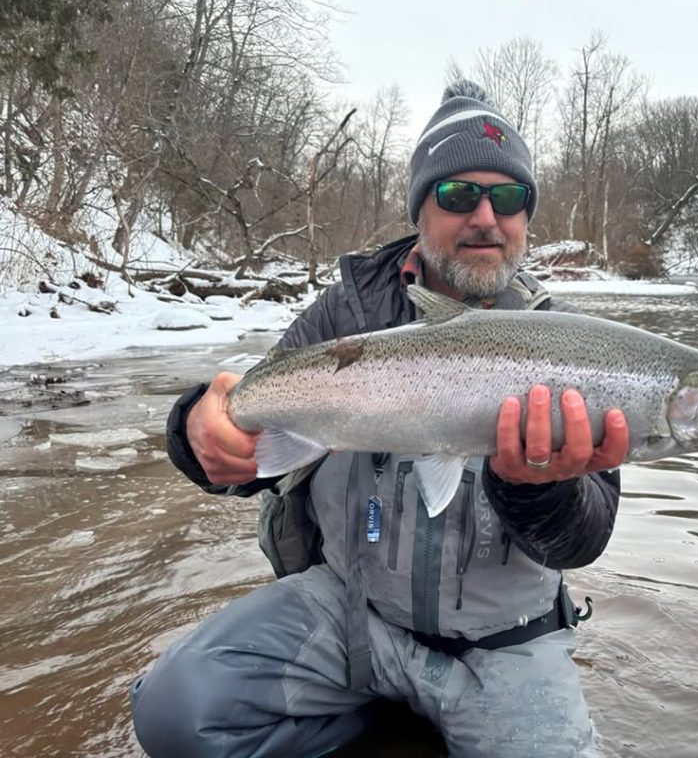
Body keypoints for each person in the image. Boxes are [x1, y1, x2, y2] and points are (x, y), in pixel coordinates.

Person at [130, 80, 629, 758]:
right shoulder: (347, 314)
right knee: (176, 713)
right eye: (458, 194)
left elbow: (583, 541)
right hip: (350, 618)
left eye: (508, 197)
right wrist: (195, 428)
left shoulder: (573, 346)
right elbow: (248, 448)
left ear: (525, 217)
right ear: (420, 208)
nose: (486, 217)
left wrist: (536, 489)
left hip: (505, 646)